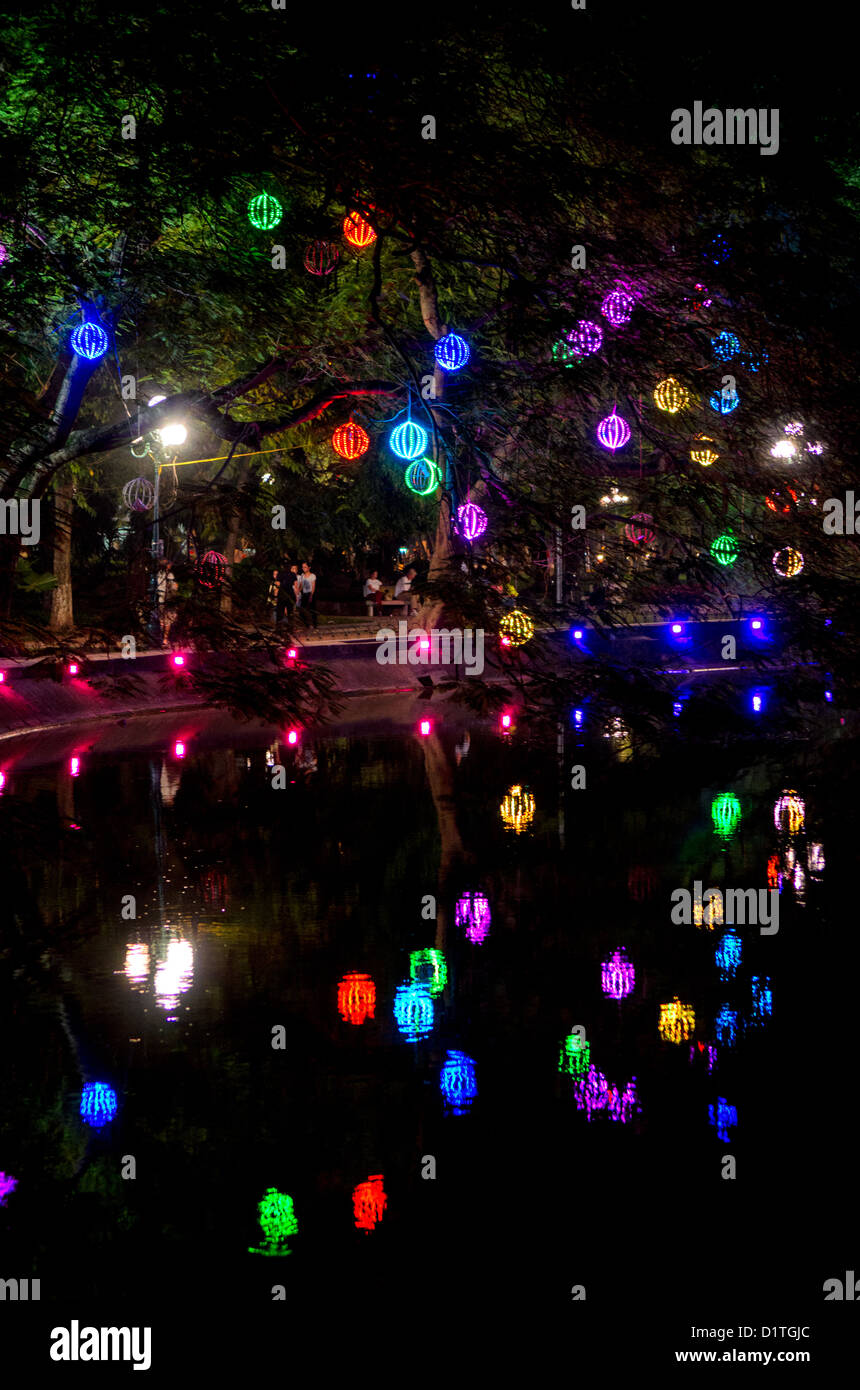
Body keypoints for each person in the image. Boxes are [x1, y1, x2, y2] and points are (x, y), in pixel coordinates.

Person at [156, 559, 178, 644]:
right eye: (169, 564)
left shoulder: (159, 574)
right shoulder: (170, 575)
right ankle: (165, 639)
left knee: (162, 619)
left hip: (160, 599)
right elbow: (173, 587)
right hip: (168, 599)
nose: (170, 565)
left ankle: (161, 637)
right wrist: (176, 587)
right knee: (168, 620)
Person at [275, 557, 296, 625]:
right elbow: (295, 586)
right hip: (289, 594)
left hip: (283, 594)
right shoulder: (293, 574)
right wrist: (295, 596)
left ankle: (279, 626)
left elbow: (277, 585)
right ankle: (290, 626)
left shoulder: (280, 574)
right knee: (290, 611)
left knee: (280, 612)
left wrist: (275, 595)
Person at [298, 561, 318, 627]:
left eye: (305, 567)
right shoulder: (302, 575)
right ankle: (304, 624)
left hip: (310, 594)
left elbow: (313, 586)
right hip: (304, 594)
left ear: (309, 568)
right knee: (303, 609)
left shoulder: (312, 576)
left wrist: (311, 596)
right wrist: (297, 592)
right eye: (303, 567)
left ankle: (314, 624)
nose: (303, 568)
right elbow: (301, 586)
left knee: (312, 609)